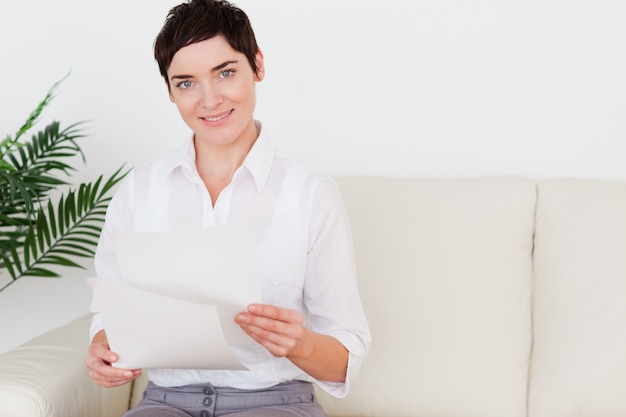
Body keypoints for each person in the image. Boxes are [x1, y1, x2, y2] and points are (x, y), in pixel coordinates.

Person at [84, 0, 371, 416]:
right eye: (186, 83)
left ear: (257, 65)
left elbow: (346, 353)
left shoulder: (311, 195)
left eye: (225, 73)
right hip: (165, 403)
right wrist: (104, 354)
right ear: (169, 90)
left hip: (275, 402)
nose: (210, 99)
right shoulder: (138, 191)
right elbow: (107, 319)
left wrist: (301, 344)